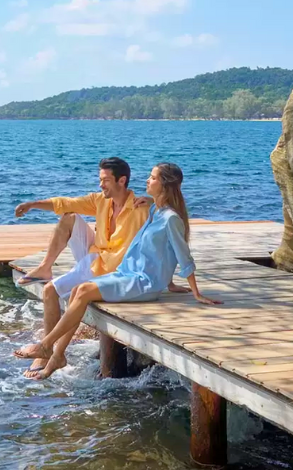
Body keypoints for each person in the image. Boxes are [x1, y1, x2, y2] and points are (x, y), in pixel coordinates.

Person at [14, 162, 221, 380]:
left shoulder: (162, 215)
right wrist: (33, 204)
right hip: (126, 273)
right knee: (77, 291)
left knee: (82, 291)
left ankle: (46, 346)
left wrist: (195, 292)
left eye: (152, 178)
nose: (146, 181)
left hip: (143, 282)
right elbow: (162, 249)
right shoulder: (153, 210)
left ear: (164, 184)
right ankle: (57, 356)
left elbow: (182, 253)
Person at [13, 157, 151, 378]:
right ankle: (44, 267)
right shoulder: (100, 201)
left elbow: (171, 216)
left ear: (122, 180)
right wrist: (32, 204)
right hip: (96, 255)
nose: (100, 185)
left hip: (110, 270)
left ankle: (49, 352)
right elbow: (65, 203)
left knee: (50, 290)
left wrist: (153, 202)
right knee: (69, 217)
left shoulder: (141, 208)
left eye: (105, 180)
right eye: (100, 179)